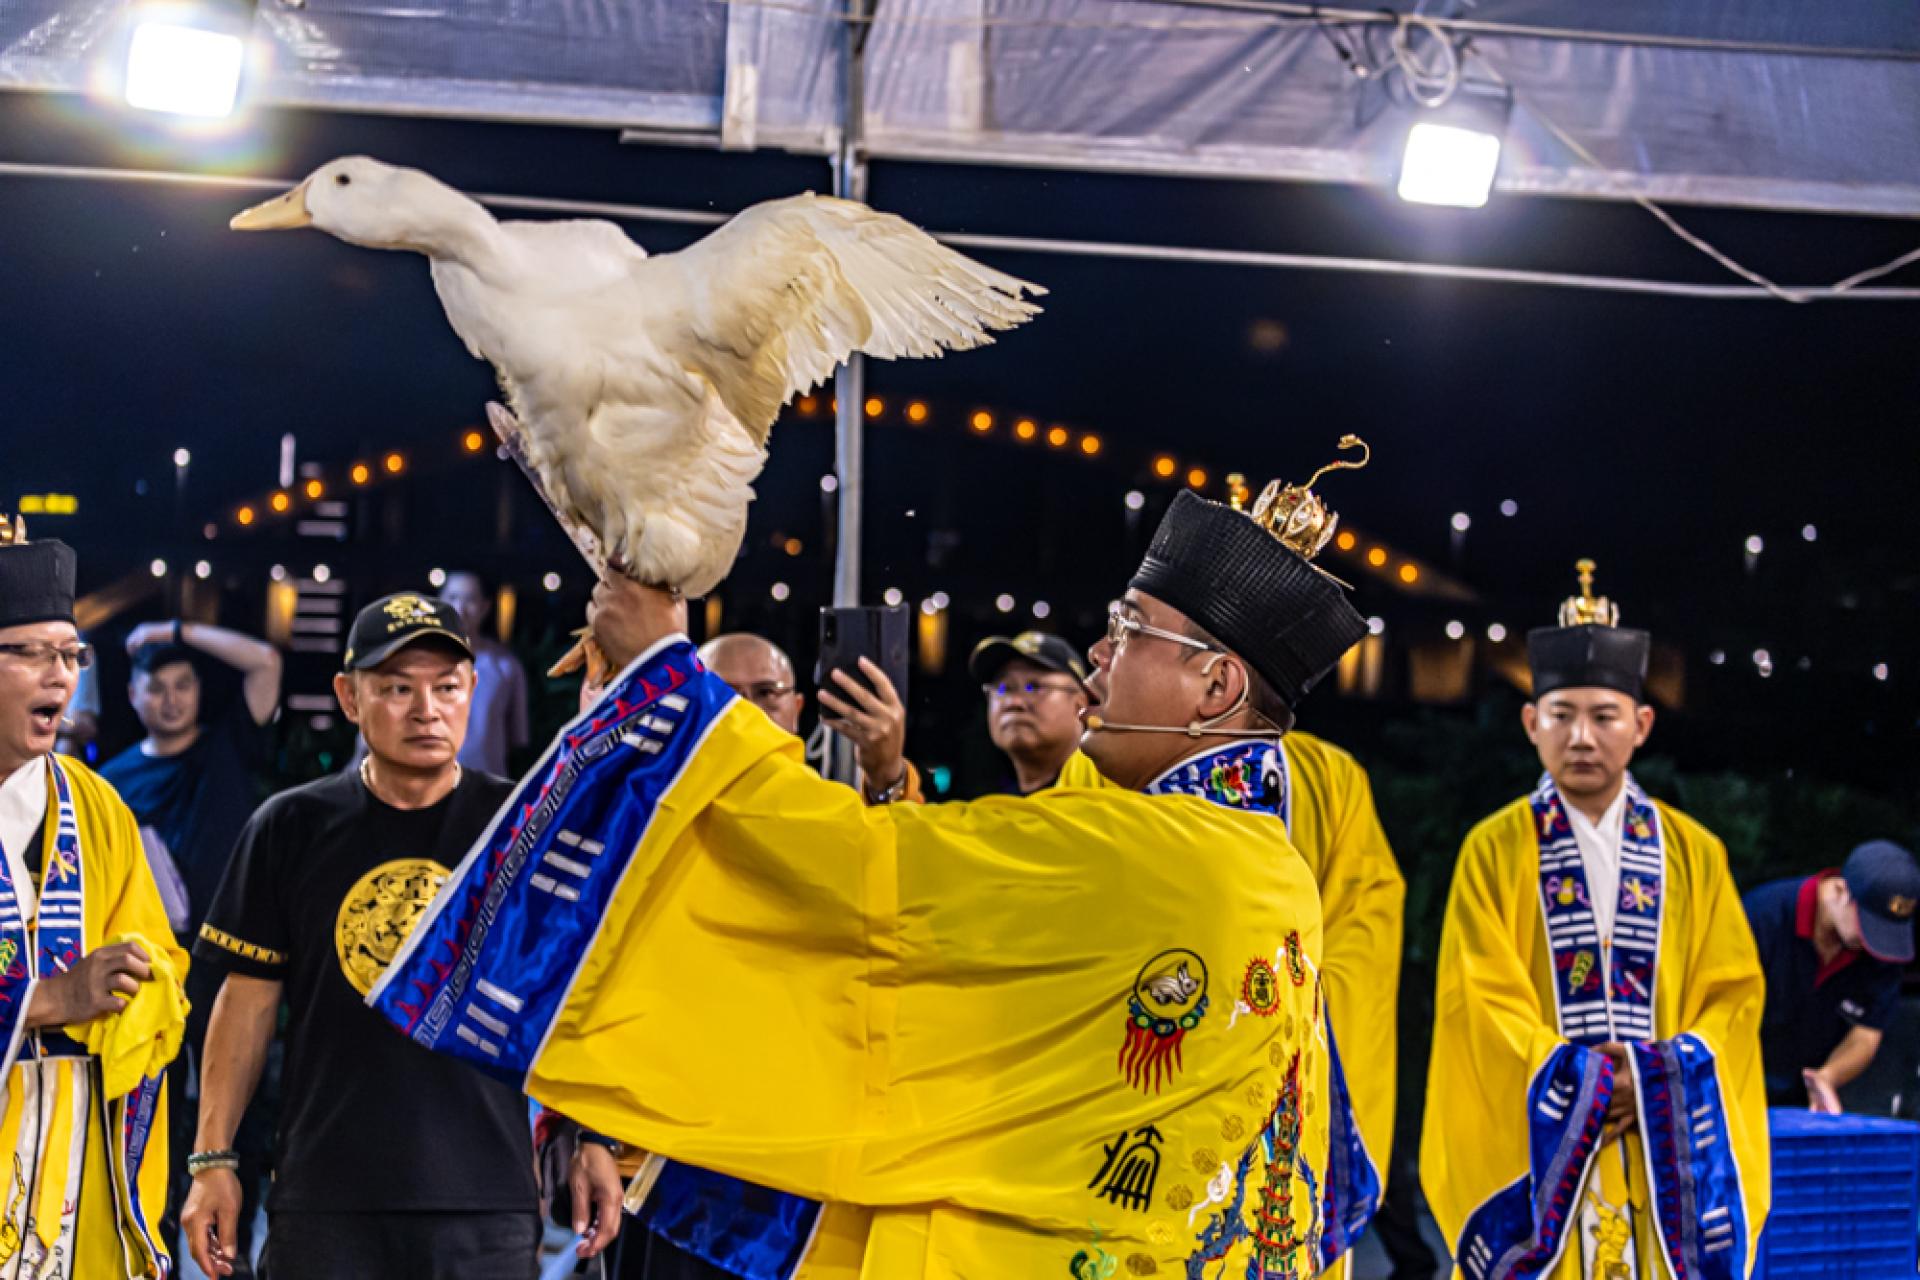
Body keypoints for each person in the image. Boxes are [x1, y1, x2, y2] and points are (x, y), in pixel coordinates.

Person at [371, 454, 1381, 1278]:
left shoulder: (1166, 854)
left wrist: (660, 678)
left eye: (1124, 633)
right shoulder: (1261, 857)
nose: (1097, 662)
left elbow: (862, 871)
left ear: (1216, 684)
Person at [181, 593, 621, 1280]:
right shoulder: (290, 827)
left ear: (473, 690)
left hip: (485, 1201)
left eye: (446, 687)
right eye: (396, 688)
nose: (427, 709)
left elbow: (568, 996)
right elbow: (246, 1005)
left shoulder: (522, 828)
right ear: (349, 698)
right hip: (325, 1200)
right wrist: (213, 1161)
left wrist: (593, 1135)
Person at [1421, 560, 1769, 1280]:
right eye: (1562, 715)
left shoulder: (1694, 854)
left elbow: (1732, 996)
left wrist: (1653, 1077)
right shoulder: (1493, 848)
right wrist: (1577, 1081)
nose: (1583, 736)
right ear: (1530, 722)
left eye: (1604, 716)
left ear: (1640, 725)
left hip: (1656, 1153)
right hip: (1542, 1153)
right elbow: (1477, 997)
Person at [0, 516, 188, 1278]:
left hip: (78, 1148)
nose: (59, 676)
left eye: (69, 654)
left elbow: (161, 963)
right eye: (30, 654)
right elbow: (69, 994)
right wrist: (49, 998)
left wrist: (143, 985)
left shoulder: (97, 807)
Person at [101, 616, 281, 1265]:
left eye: (184, 685)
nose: (172, 699)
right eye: (158, 687)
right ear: (133, 696)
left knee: (242, 1118)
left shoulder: (226, 747)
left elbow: (263, 661)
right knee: (152, 1123)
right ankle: (156, 1256)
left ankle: (235, 1254)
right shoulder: (112, 780)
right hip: (151, 976)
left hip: (234, 966)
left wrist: (171, 628)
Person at [1744, 839, 1920, 1112]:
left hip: (1803, 1097)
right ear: (1840, 889)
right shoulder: (1761, 915)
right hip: (1736, 1081)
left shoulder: (1880, 950)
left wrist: (1827, 1077)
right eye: (1870, 926)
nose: (1873, 940)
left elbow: (1866, 1032)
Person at [969, 631, 1089, 794]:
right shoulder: (998, 811)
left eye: (1034, 687)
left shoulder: (1113, 796)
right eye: (1003, 688)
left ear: (1079, 705)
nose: (1014, 702)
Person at [440, 571, 532, 776]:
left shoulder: (506, 666)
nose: (460, 609)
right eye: (452, 598)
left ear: (485, 607)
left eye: (470, 600)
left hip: (488, 791)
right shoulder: (418, 665)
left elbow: (517, 739)